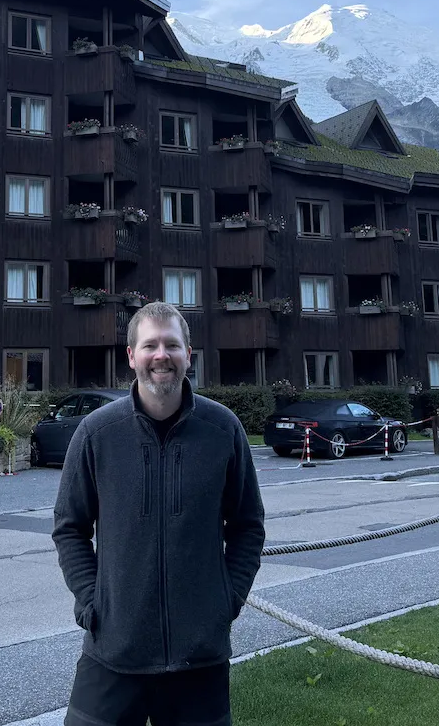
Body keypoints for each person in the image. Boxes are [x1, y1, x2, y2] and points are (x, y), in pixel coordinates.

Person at [53, 301, 266, 726]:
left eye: (172, 345)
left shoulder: (222, 430)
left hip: (199, 659)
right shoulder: (96, 434)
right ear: (131, 356)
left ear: (190, 354)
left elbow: (247, 527)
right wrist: (92, 603)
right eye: (149, 345)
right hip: (113, 652)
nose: (161, 355)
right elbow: (69, 528)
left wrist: (227, 600)